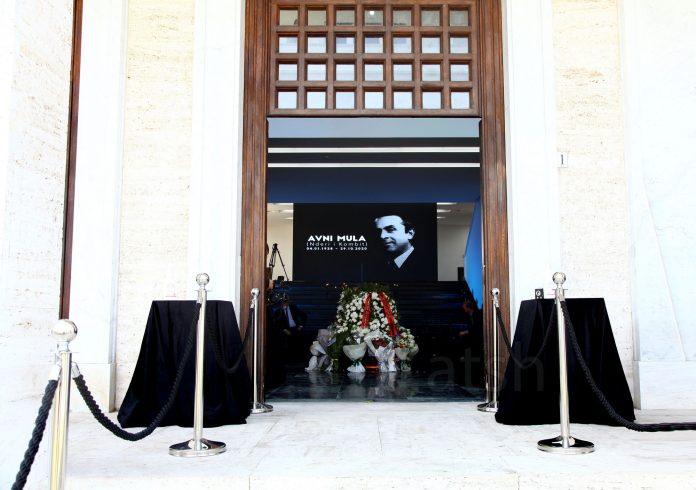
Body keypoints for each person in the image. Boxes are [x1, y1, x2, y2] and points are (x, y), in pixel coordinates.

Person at [372, 214, 434, 281]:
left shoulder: (427, 264)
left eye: (390, 229)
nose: (382, 236)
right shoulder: (376, 265)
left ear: (410, 233)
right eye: (378, 231)